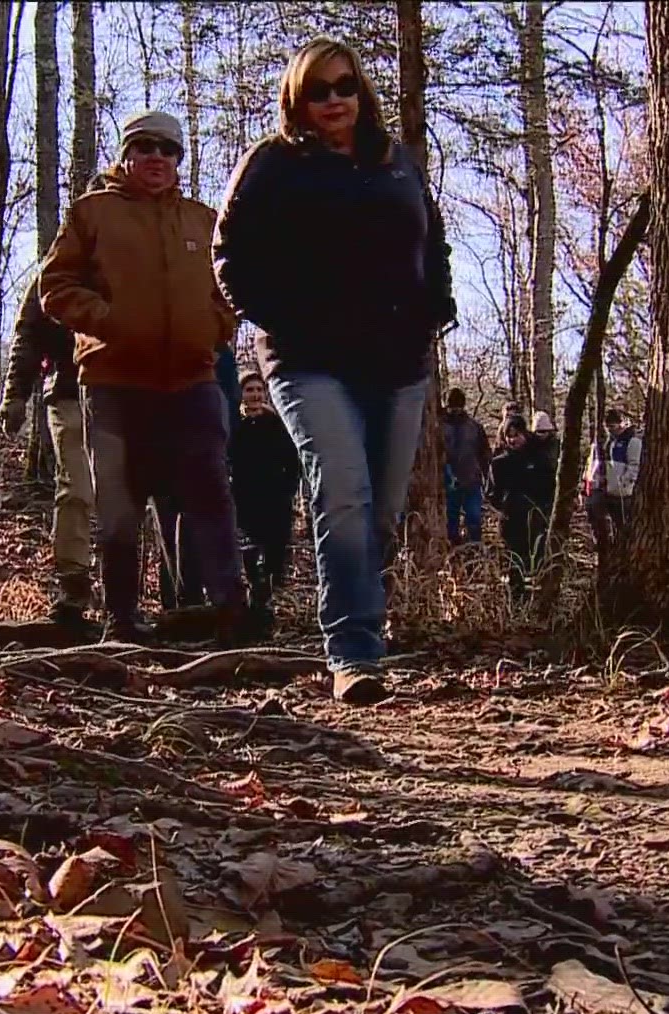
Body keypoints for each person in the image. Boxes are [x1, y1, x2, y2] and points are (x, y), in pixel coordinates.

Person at [215, 37, 455, 705]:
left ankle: (359, 617)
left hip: (397, 360)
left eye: (344, 86)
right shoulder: (273, 164)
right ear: (297, 99)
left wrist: (436, 306)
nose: (333, 101)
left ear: (361, 91)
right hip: (308, 360)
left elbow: (430, 242)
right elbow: (228, 252)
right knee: (341, 491)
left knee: (379, 510)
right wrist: (279, 317)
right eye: (317, 90)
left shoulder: (396, 163)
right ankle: (354, 652)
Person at [40, 109, 246, 643]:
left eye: (168, 149)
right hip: (115, 379)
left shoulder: (203, 220)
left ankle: (230, 609)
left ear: (178, 160)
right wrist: (110, 322)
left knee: (210, 488)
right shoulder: (93, 213)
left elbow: (228, 294)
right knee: (119, 499)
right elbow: (55, 288)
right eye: (146, 147)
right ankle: (122, 619)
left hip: (192, 378)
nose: (157, 157)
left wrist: (213, 330)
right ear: (127, 154)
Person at [0, 273, 92, 626]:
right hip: (68, 392)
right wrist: (14, 397)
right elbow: (27, 335)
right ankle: (73, 589)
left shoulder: (123, 251)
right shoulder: (52, 271)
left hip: (120, 391)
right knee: (77, 490)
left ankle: (124, 596)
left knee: (124, 496)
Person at [155, 342, 241, 610]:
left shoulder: (219, 352)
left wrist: (226, 446)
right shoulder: (150, 341)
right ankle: (177, 603)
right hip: (160, 445)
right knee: (168, 522)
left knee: (201, 521)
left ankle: (219, 602)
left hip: (207, 446)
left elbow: (231, 401)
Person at [229, 370, 301, 617]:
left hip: (275, 496)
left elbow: (293, 458)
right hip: (245, 496)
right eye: (250, 390)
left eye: (259, 390)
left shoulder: (277, 423)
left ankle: (270, 599)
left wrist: (289, 488)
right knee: (249, 549)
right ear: (241, 394)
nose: (255, 395)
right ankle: (253, 598)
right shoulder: (234, 424)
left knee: (275, 549)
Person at [488, 415, 556, 598]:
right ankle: (516, 594)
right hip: (510, 518)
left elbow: (550, 486)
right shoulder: (499, 463)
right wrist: (503, 505)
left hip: (535, 516)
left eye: (516, 435)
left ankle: (537, 591)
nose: (512, 439)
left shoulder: (539, 458)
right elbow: (493, 492)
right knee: (512, 556)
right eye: (508, 435)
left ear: (524, 434)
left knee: (535, 556)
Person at [585, 408, 643, 554]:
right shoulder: (606, 442)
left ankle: (625, 552)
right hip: (605, 489)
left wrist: (624, 482)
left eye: (614, 426)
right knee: (595, 511)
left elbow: (634, 466)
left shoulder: (632, 442)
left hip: (623, 493)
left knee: (623, 526)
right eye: (608, 426)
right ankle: (605, 546)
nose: (611, 430)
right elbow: (597, 464)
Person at [441, 388, 490, 545]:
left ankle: (474, 550)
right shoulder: (438, 427)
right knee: (451, 521)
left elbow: (485, 454)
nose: (455, 411)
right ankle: (454, 551)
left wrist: (487, 478)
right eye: (451, 407)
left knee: (474, 518)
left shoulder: (474, 427)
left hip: (471, 481)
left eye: (458, 407)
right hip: (448, 484)